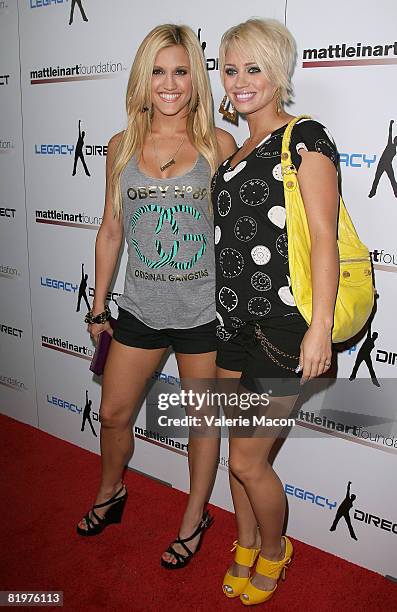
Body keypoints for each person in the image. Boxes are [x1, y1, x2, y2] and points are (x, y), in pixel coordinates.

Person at [77, 24, 236, 571]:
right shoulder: (120, 148)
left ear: (195, 78)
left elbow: (234, 236)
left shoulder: (220, 145)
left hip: (203, 315)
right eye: (159, 72)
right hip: (140, 309)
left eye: (181, 71)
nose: (169, 84)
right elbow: (110, 231)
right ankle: (110, 491)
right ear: (143, 79)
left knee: (202, 422)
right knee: (114, 412)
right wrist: (99, 307)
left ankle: (194, 519)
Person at [212, 19, 340, 605]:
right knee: (237, 453)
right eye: (231, 68)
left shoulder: (305, 137)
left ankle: (274, 549)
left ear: (279, 71)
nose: (240, 81)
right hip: (232, 323)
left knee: (247, 458)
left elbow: (323, 235)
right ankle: (243, 541)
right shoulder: (236, 151)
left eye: (253, 68)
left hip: (286, 326)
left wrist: (319, 330)